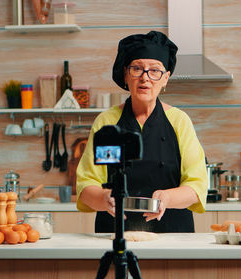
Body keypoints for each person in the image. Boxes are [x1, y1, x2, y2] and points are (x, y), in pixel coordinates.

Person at [76, 31, 207, 233]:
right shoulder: (108, 123)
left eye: (155, 71)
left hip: (173, 235)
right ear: (126, 75)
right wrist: (103, 198)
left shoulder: (179, 122)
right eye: (137, 68)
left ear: (166, 79)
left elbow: (197, 186)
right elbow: (86, 185)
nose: (145, 78)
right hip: (114, 233)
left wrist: (168, 198)